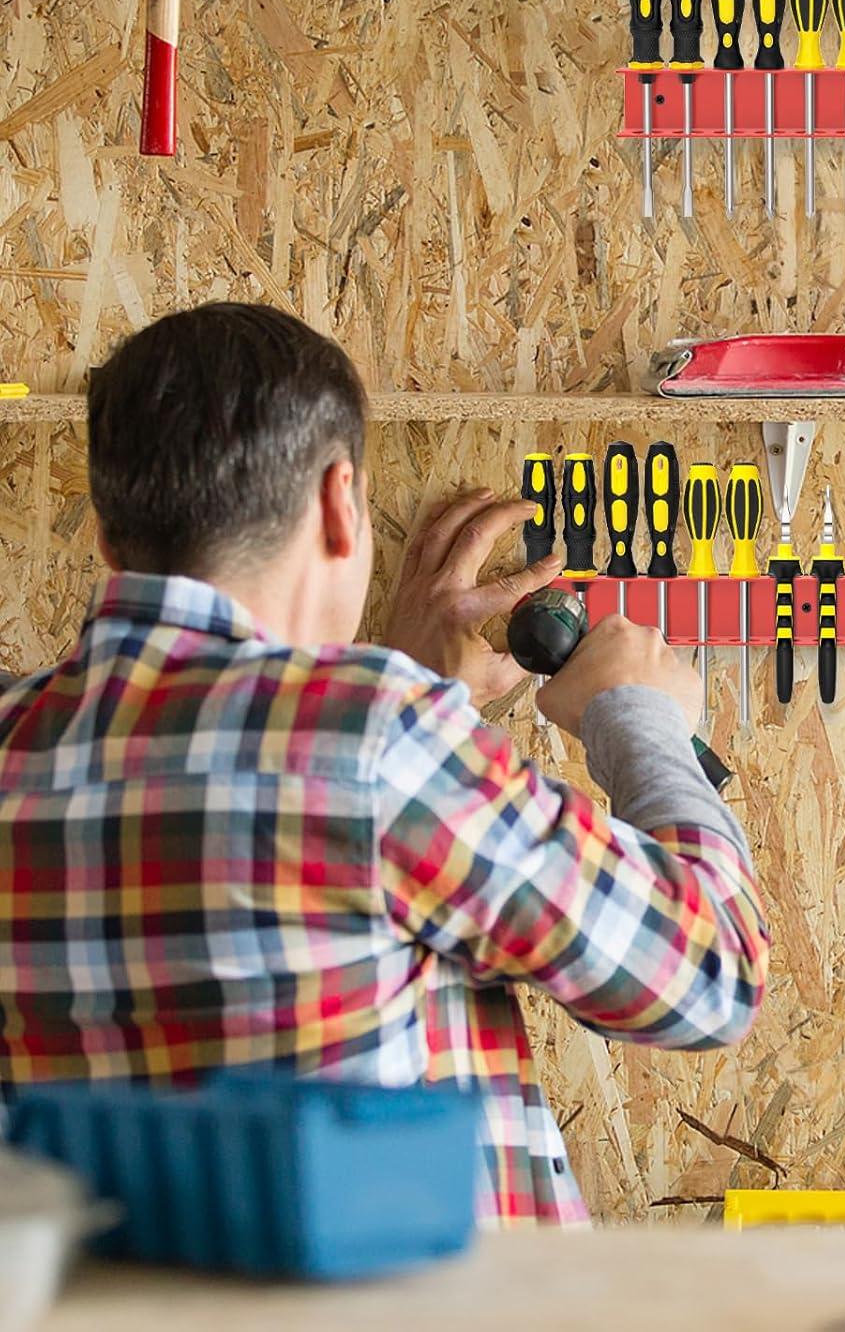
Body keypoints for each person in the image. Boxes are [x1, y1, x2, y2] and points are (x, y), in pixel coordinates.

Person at [0, 303, 770, 1226]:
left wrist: (402, 688)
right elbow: (712, 974)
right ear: (338, 501)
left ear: (105, 536)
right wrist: (638, 717)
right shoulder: (372, 745)